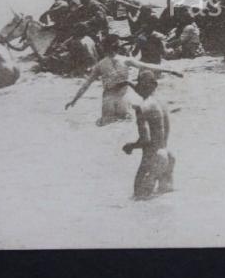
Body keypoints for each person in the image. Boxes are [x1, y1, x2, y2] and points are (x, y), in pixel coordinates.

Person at [65, 34, 183, 126]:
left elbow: (86, 84)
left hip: (108, 101)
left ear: (103, 47)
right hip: (124, 99)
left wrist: (74, 101)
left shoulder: (100, 65)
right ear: (118, 47)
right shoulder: (126, 60)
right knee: (125, 126)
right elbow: (147, 66)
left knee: (105, 128)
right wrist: (171, 70)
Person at [120, 70, 175, 199]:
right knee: (163, 203)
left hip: (153, 159)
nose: (139, 87)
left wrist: (130, 146)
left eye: (141, 84)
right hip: (168, 155)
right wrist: (129, 83)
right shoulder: (162, 103)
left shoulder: (142, 107)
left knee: (139, 199)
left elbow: (145, 139)